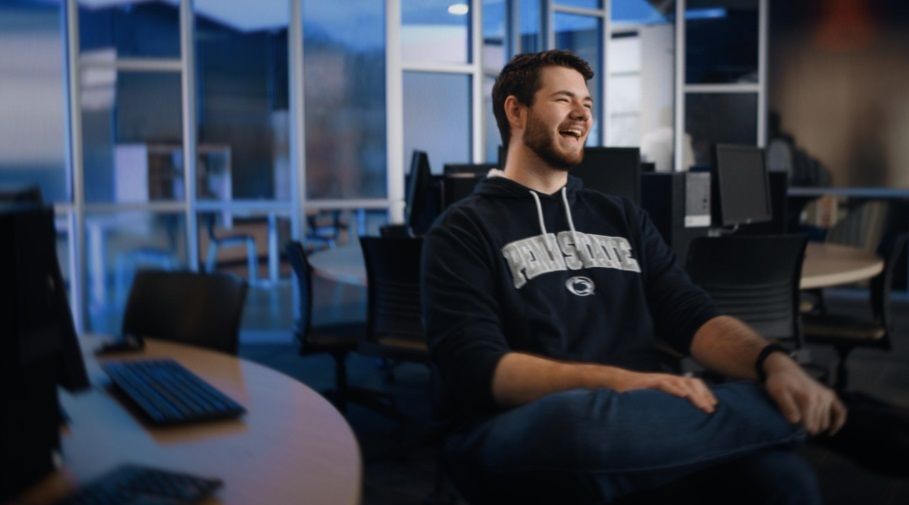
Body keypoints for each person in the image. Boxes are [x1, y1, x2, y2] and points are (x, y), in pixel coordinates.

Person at [420, 50, 846, 505]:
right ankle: (834, 415)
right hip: (520, 426)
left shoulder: (620, 215)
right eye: (564, 99)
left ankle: (798, 402)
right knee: (581, 423)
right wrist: (621, 382)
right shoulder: (463, 228)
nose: (582, 113)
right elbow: (479, 368)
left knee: (781, 479)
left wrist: (773, 364)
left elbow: (690, 312)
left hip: (643, 421)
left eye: (587, 103)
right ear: (516, 111)